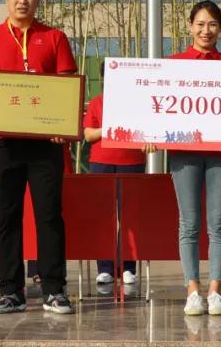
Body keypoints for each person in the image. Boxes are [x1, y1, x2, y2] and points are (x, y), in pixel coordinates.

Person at [0, 0, 77, 315]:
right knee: (7, 217)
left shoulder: (55, 38)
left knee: (49, 216)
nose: (23, 0)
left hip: (46, 144)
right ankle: (11, 292)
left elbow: (65, 86)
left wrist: (63, 126)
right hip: (3, 144)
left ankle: (54, 290)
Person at [169, 0, 221, 317]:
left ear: (220, 29)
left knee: (218, 223)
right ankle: (192, 291)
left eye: (212, 24)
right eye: (200, 24)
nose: (205, 30)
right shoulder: (174, 64)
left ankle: (215, 291)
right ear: (190, 26)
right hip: (184, 153)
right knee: (189, 223)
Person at [83, 61, 144, 286]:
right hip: (101, 162)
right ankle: (105, 268)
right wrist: (108, 127)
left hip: (132, 161)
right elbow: (88, 135)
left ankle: (128, 267)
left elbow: (146, 130)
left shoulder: (137, 102)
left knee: (130, 217)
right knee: (104, 217)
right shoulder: (97, 102)